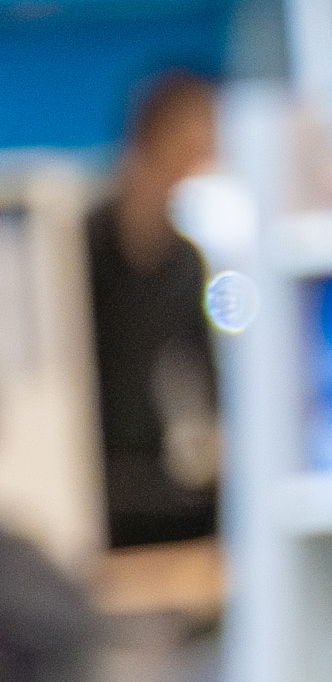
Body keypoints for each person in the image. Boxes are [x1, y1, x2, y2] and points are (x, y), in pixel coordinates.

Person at [85, 69, 223, 558]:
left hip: (152, 472)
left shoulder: (184, 260)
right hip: (89, 470)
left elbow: (205, 377)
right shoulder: (82, 242)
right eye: (193, 136)